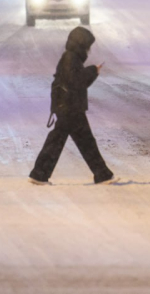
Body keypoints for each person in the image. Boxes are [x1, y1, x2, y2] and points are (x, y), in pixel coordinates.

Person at [29, 26, 115, 185]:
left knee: (62, 141)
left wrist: (93, 72)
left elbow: (78, 82)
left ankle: (39, 174)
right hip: (70, 107)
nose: (89, 50)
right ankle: (102, 175)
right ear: (81, 44)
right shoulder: (70, 58)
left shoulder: (71, 58)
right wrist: (92, 71)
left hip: (68, 106)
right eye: (88, 46)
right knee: (82, 142)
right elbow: (76, 81)